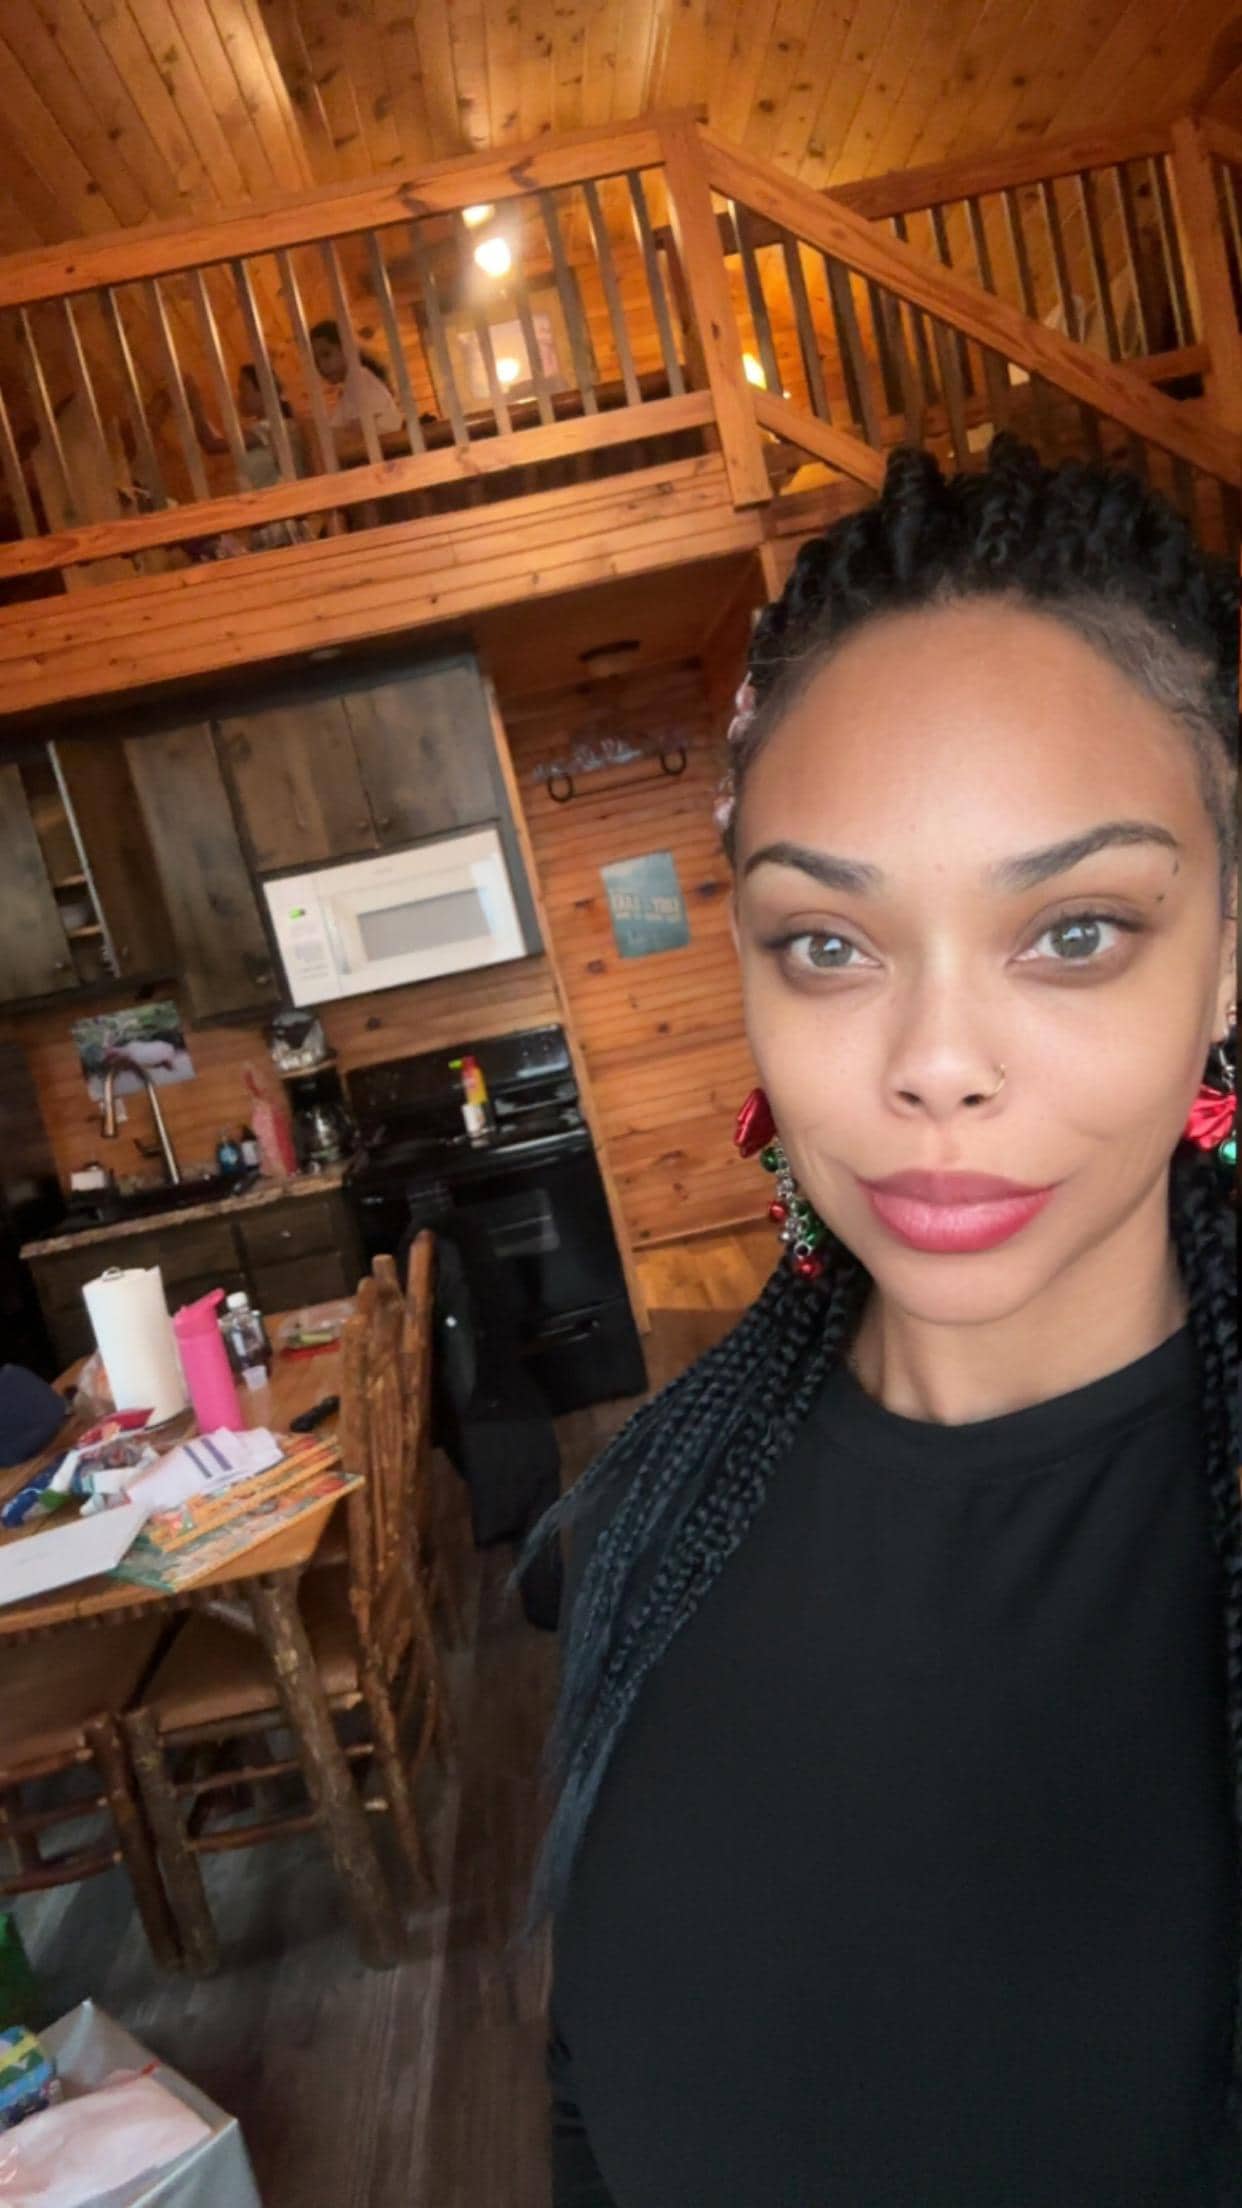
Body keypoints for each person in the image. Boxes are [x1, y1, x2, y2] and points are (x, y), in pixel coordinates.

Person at [510, 433, 1241, 2206]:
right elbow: (589, 2108)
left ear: (1227, 955)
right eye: (827, 944)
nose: (932, 1066)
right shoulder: (644, 1524)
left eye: (1074, 930)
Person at [184, 363, 311, 554]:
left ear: (263, 392)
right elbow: (216, 441)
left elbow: (212, 444)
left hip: (282, 528)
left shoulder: (272, 428)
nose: (240, 396)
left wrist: (195, 404)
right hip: (272, 524)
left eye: (243, 389)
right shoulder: (270, 428)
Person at [308, 318, 402, 440]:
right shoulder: (350, 386)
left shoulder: (360, 378)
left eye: (326, 354)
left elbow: (359, 431)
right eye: (316, 360)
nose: (322, 365)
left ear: (347, 348)